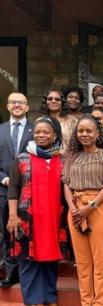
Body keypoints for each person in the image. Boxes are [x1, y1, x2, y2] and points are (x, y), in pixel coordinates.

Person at [7, 116, 67, 306]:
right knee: (28, 259)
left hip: (54, 219)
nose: (41, 135)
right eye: (38, 132)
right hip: (27, 220)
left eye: (46, 132)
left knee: (51, 258)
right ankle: (33, 302)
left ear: (54, 136)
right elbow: (13, 190)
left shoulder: (62, 159)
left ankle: (50, 299)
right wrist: (13, 215)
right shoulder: (22, 158)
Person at [63, 115, 103, 306]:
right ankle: (85, 304)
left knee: (100, 260)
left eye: (89, 131)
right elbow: (66, 184)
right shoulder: (71, 156)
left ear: (97, 133)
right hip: (75, 209)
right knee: (82, 261)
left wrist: (90, 206)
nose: (84, 134)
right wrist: (73, 208)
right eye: (80, 131)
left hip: (99, 207)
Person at [0, 92, 33, 288]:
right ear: (7, 106)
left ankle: (25, 271)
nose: (17, 105)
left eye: (21, 102)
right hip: (3, 189)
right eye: (13, 102)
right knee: (5, 231)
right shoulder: (0, 130)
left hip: (29, 192)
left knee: (27, 232)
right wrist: (4, 178)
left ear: (27, 107)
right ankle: (8, 271)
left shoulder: (36, 130)